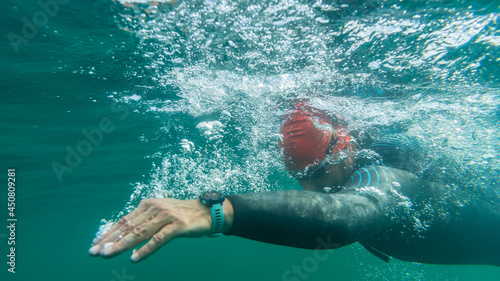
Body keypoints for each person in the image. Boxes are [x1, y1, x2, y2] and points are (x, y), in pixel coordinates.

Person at [89, 103, 500, 266]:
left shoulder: (390, 173)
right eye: (300, 180)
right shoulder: (338, 169)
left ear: (346, 149)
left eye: (318, 176)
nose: (312, 191)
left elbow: (344, 220)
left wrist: (216, 210)